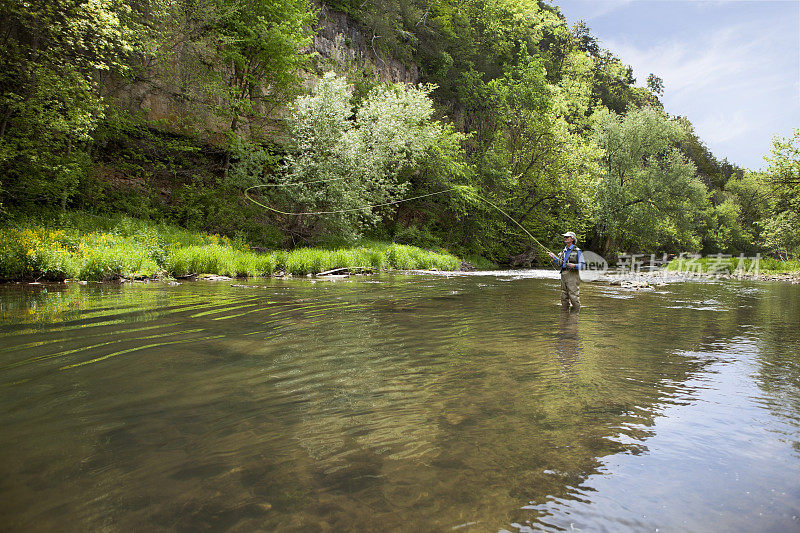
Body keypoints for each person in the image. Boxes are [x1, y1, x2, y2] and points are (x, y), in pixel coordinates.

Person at [548, 231, 585, 311]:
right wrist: (554, 258)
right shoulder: (564, 251)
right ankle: (564, 315)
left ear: (572, 239)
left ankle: (575, 315)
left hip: (572, 275)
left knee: (573, 295)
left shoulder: (577, 251)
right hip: (563, 274)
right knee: (564, 295)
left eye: (567, 237)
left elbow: (583, 265)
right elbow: (561, 263)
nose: (565, 238)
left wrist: (574, 265)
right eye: (565, 237)